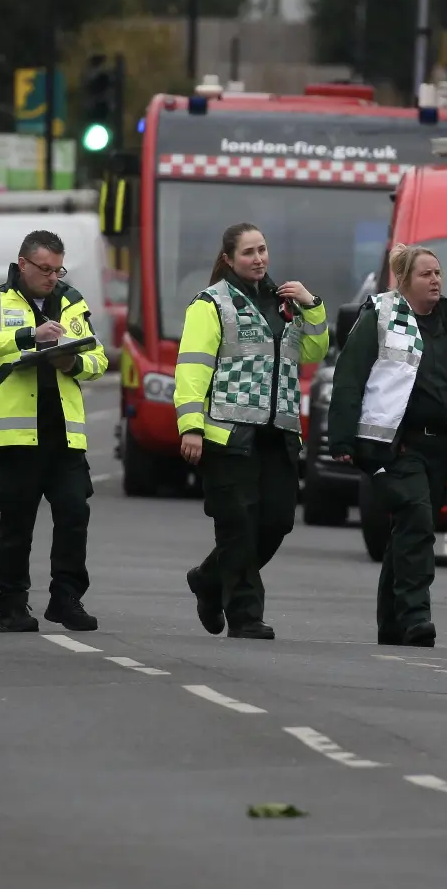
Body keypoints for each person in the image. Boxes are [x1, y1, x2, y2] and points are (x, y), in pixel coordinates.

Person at [327, 245, 447, 648]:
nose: (435, 280)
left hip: (441, 449)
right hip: (397, 447)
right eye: (426, 274)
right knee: (417, 520)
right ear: (404, 280)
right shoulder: (381, 316)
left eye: (438, 273)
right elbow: (349, 378)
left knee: (410, 531)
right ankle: (416, 616)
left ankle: (391, 624)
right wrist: (342, 439)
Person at [176, 224, 328, 640]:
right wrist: (190, 427)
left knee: (277, 522)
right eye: (248, 252)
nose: (258, 258)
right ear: (228, 259)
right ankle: (245, 616)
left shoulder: (286, 303)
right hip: (228, 436)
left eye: (262, 249)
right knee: (238, 527)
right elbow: (192, 369)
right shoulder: (211, 303)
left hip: (279, 435)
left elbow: (313, 351)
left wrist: (312, 306)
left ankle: (208, 580)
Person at [0, 230, 108, 634]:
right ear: (23, 264)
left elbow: (97, 358)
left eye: (57, 270)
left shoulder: (72, 300)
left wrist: (72, 364)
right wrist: (31, 335)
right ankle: (12, 605)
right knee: (16, 524)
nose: (52, 277)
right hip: (16, 436)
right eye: (45, 269)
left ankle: (66, 598)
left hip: (64, 433)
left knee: (74, 514)